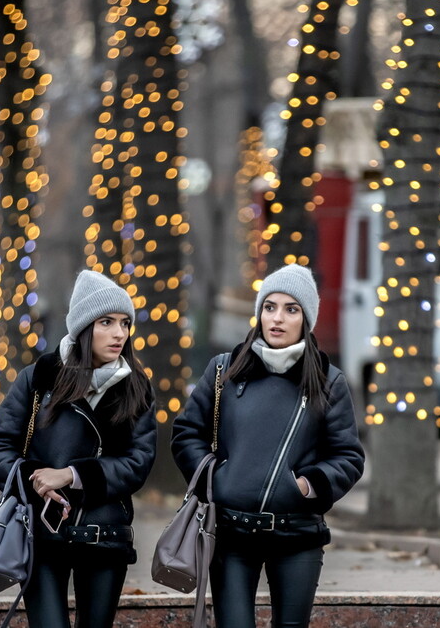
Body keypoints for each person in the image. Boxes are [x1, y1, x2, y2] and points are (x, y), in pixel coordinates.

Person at [171, 263, 365, 628]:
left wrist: (306, 486)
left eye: (291, 309)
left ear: (305, 319)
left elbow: (348, 456)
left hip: (297, 534)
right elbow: (186, 434)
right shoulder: (223, 370)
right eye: (269, 307)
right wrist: (218, 478)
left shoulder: (328, 380)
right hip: (231, 534)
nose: (277, 318)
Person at [0, 270, 156, 628]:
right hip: (42, 535)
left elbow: (138, 462)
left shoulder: (136, 386)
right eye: (106, 322)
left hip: (105, 536)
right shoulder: (40, 377)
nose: (119, 333)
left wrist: (73, 475)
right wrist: (33, 478)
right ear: (83, 327)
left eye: (125, 323)